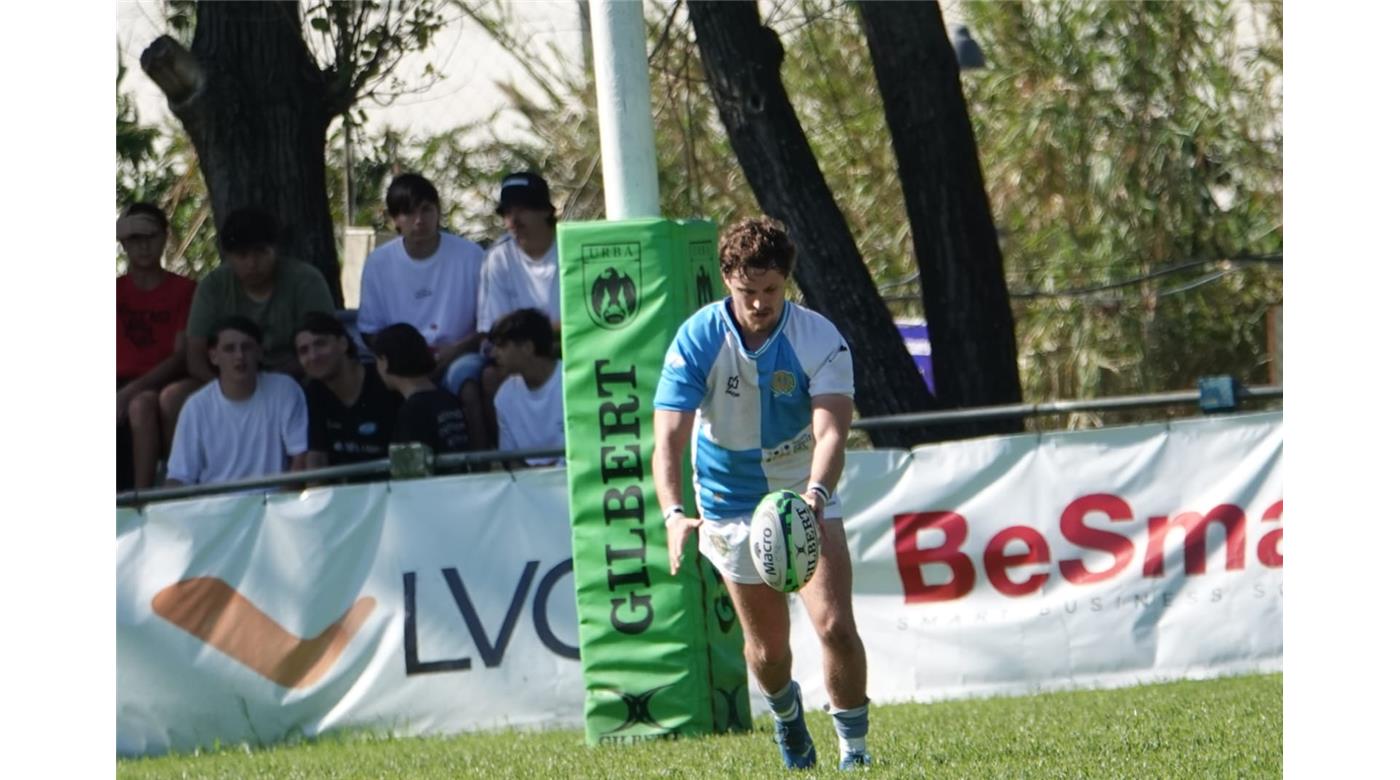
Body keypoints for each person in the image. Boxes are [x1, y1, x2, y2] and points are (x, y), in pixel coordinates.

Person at [652, 217, 870, 770]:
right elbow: (668, 440)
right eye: (748, 292)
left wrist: (816, 495)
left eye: (771, 290)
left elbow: (831, 432)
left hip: (804, 493)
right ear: (728, 280)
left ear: (786, 283)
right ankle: (787, 715)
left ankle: (856, 755)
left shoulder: (818, 337)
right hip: (729, 503)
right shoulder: (698, 338)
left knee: (836, 627)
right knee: (771, 652)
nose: (760, 303)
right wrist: (674, 512)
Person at [162, 207, 337, 440]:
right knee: (172, 398)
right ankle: (181, 470)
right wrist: (230, 387)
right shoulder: (212, 287)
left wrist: (268, 383)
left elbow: (326, 344)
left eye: (260, 252)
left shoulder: (306, 280)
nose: (252, 263)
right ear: (228, 255)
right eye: (242, 255)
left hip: (296, 377)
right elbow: (195, 358)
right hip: (225, 381)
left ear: (276, 249)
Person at [356, 173, 489, 447]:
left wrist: (455, 350)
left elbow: (488, 322)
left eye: (426, 209)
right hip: (402, 363)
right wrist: (404, 357)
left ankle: (480, 463)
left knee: (468, 384)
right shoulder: (378, 263)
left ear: (438, 211)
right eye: (408, 213)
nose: (419, 220)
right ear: (394, 220)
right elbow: (370, 331)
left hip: (458, 354)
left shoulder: (471, 255)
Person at [165, 316, 310, 487]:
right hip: (216, 509)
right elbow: (179, 476)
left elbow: (301, 458)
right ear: (213, 356)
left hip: (272, 506)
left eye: (247, 347)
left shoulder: (285, 390)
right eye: (229, 349)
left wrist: (281, 504)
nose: (239, 356)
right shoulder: (196, 406)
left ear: (259, 353)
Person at [473, 172, 563, 446]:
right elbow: (496, 328)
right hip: (518, 350)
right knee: (489, 376)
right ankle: (499, 458)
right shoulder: (497, 258)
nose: (513, 220)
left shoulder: (570, 247)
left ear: (545, 211)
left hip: (568, 348)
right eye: (507, 212)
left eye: (522, 209)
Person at [116, 202, 197, 490]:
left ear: (164, 238)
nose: (143, 246)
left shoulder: (186, 290)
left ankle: (144, 497)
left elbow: (181, 356)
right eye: (135, 239)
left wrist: (129, 392)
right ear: (124, 243)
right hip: (119, 382)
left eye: (150, 237)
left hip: (165, 380)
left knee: (141, 406)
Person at [294, 311, 400, 470]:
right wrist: (315, 492)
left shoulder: (385, 380)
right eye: (304, 351)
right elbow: (317, 455)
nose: (313, 356)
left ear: (343, 343)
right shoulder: (314, 391)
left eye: (320, 344)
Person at [371, 323, 470, 457]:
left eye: (377, 361)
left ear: (385, 361)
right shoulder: (449, 399)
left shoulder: (412, 411)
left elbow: (411, 471)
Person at [488, 308, 564, 467]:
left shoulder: (571, 382)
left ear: (528, 347)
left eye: (501, 346)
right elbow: (511, 461)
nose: (494, 354)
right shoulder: (504, 396)